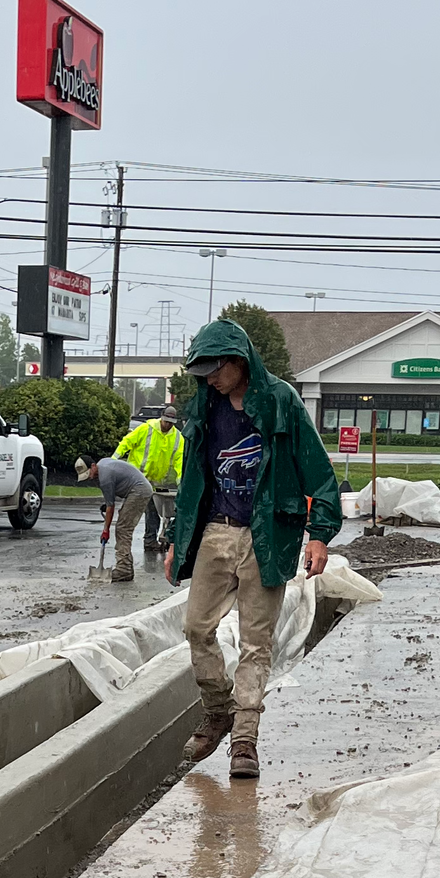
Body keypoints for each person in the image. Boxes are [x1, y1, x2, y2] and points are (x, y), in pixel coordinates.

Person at [166, 316, 341, 781]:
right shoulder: (206, 407)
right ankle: (217, 710)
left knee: (255, 642)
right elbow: (191, 480)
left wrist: (319, 533)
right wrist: (176, 540)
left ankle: (244, 739)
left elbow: (318, 471)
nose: (210, 379)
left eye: (215, 370)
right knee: (196, 627)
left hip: (269, 533)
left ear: (239, 361)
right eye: (203, 373)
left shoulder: (281, 401)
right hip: (217, 532)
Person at [75, 449, 155, 583]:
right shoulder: (103, 465)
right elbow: (110, 499)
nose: (89, 478)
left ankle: (124, 569)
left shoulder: (104, 477)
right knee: (123, 525)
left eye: (88, 473)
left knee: (123, 528)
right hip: (138, 489)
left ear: (93, 466)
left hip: (139, 490)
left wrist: (105, 530)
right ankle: (126, 566)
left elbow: (110, 508)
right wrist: (107, 504)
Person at [114, 409, 184, 553]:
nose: (168, 425)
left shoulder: (177, 438)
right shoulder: (146, 429)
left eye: (171, 423)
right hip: (137, 478)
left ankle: (150, 541)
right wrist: (114, 459)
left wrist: (180, 482)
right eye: (166, 422)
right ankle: (125, 541)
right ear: (161, 418)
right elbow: (127, 442)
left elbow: (179, 462)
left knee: (153, 511)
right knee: (131, 511)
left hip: (156, 483)